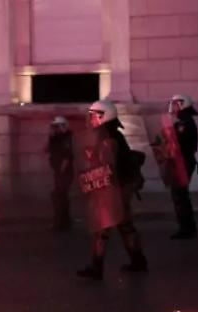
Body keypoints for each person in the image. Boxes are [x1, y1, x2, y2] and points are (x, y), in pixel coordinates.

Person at [76, 100, 148, 280]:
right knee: (124, 225)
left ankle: (97, 267)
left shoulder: (108, 137)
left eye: (94, 116)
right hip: (119, 186)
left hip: (116, 187)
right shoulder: (108, 134)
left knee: (104, 227)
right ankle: (138, 261)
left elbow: (108, 166)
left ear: (103, 116)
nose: (91, 119)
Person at [168, 94, 198, 239]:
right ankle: (188, 227)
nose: (173, 107)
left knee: (180, 195)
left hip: (184, 161)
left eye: (175, 104)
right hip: (184, 160)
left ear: (182, 104)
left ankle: (186, 229)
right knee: (181, 195)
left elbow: (179, 142)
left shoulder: (184, 123)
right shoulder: (183, 121)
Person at [46, 116, 74, 230]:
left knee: (58, 196)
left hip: (64, 172)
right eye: (54, 127)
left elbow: (67, 156)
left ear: (63, 126)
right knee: (62, 196)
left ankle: (59, 223)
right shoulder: (57, 138)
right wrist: (51, 137)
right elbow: (48, 149)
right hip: (59, 171)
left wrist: (60, 171)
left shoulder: (66, 138)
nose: (55, 129)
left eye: (57, 127)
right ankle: (65, 221)